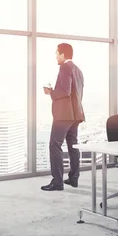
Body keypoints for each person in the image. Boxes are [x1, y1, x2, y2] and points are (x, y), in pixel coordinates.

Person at [41, 43, 85, 191]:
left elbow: (65, 91)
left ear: (63, 55)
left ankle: (57, 182)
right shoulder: (78, 70)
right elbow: (75, 93)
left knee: (54, 145)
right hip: (75, 114)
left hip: (64, 115)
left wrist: (51, 92)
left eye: (56, 53)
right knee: (73, 146)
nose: (55, 56)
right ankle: (73, 178)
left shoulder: (65, 67)